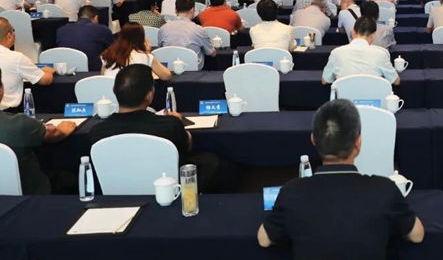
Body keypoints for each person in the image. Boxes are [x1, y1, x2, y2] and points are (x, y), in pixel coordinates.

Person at [257, 99, 423, 257]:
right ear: (358, 143)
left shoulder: (292, 192)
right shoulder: (385, 190)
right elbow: (417, 235)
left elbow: (264, 239)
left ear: (313, 140)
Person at [90, 64, 237, 192]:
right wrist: (178, 121)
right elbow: (187, 146)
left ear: (114, 90)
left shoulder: (97, 132)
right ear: (149, 96)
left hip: (116, 195)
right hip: (170, 189)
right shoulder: (169, 125)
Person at [0, 69, 76, 194]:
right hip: (29, 196)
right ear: (1, 90)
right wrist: (64, 129)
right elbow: (55, 134)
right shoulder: (20, 124)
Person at [322, 17, 399, 85]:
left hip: (344, 97)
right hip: (374, 96)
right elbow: (395, 81)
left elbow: (325, 80)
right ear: (374, 35)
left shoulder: (336, 53)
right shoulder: (381, 54)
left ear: (353, 32)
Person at [0, 17, 54, 112]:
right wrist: (49, 71)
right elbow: (45, 80)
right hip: (8, 114)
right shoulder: (16, 58)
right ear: (9, 36)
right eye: (13, 30)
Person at [158, 0, 217, 69]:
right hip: (193, 71)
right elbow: (212, 53)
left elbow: (160, 49)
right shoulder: (198, 30)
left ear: (175, 10)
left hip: (169, 69)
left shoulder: (163, 28)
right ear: (192, 10)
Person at [101, 23, 171, 80]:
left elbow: (103, 76)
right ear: (142, 39)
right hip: (134, 92)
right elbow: (166, 76)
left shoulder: (108, 54)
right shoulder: (146, 57)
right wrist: (148, 53)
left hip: (109, 92)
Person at [55, 5, 114, 71]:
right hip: (93, 71)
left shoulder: (61, 30)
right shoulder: (102, 29)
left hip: (66, 70)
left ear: (78, 17)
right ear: (96, 18)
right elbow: (113, 49)